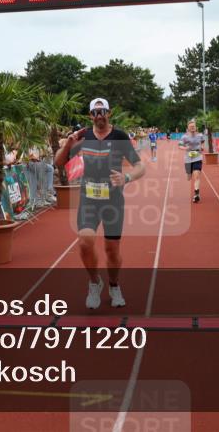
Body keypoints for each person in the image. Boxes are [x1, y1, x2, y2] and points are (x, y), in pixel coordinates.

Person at [54, 98, 145, 309]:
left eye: (102, 111)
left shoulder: (120, 136)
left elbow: (140, 166)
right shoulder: (83, 137)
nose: (99, 116)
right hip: (89, 199)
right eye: (94, 113)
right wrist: (69, 143)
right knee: (85, 242)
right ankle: (95, 282)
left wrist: (127, 178)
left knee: (111, 249)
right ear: (90, 116)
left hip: (113, 200)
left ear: (108, 113)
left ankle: (114, 285)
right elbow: (59, 162)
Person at [179, 119, 205, 203]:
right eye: (191, 126)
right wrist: (185, 148)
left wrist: (202, 147)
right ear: (188, 128)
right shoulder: (184, 137)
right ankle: (188, 173)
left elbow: (202, 142)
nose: (192, 127)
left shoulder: (200, 135)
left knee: (196, 176)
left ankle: (196, 194)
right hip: (188, 158)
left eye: (193, 126)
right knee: (189, 177)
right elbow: (179, 146)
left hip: (197, 156)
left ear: (196, 127)